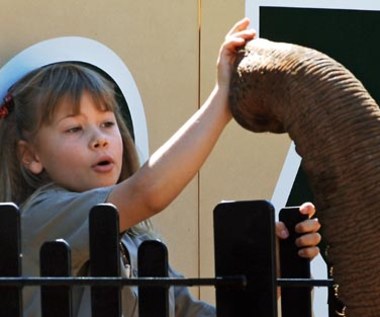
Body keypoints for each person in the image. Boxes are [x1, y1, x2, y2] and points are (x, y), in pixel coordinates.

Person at [0, 18, 321, 316]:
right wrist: (224, 100)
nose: (99, 139)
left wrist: (272, 272)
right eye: (74, 128)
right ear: (31, 156)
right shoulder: (40, 217)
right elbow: (148, 192)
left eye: (107, 123)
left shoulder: (140, 247)